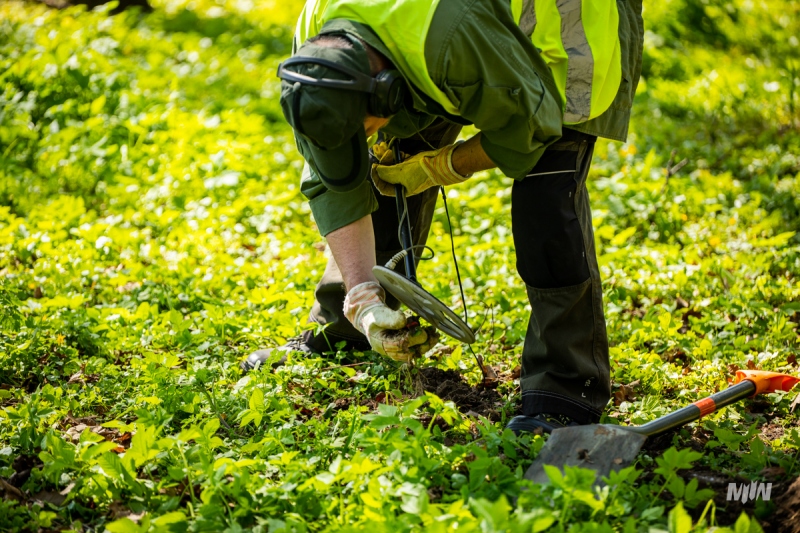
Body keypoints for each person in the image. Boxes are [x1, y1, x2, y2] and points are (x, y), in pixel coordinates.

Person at [243, 0, 643, 434]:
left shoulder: (456, 40)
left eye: (365, 123)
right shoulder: (315, 59)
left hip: (560, 32)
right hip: (433, 45)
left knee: (546, 203)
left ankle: (565, 390)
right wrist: (363, 300)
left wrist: (443, 165)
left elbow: (533, 126)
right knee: (383, 161)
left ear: (387, 89)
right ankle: (348, 333)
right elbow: (335, 185)